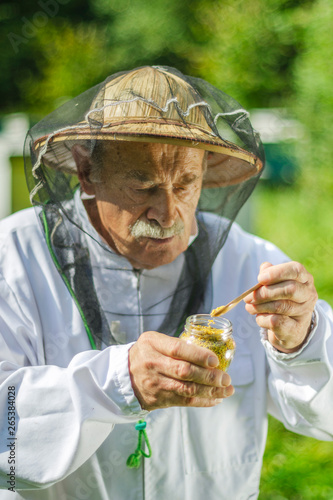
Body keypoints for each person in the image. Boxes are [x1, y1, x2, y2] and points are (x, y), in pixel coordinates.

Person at [0, 65, 332, 500]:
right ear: (86, 171)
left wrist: (301, 340)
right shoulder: (15, 259)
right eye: (144, 186)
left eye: (186, 183)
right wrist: (118, 383)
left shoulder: (250, 262)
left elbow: (324, 417)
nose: (170, 213)